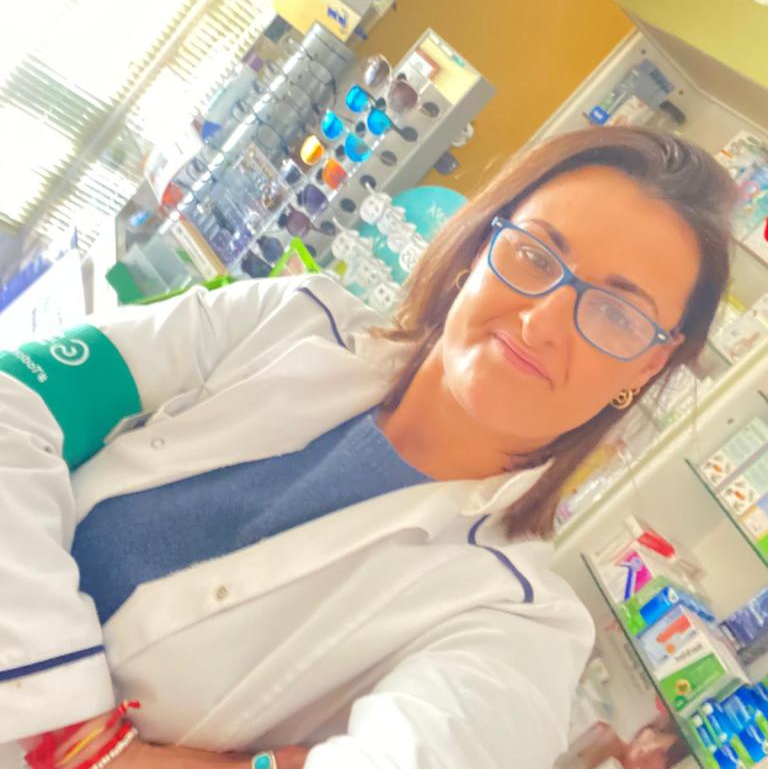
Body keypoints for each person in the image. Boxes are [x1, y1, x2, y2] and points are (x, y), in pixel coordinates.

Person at [1, 126, 736, 769]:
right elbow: (12, 393)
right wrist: (83, 744)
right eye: (536, 254)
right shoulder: (288, 318)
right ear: (479, 247)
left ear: (647, 367)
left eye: (615, 313)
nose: (543, 322)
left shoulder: (519, 625)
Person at [560, 716, 690, 769]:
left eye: (662, 754)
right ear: (645, 730)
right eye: (655, 737)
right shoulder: (600, 733)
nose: (649, 748)